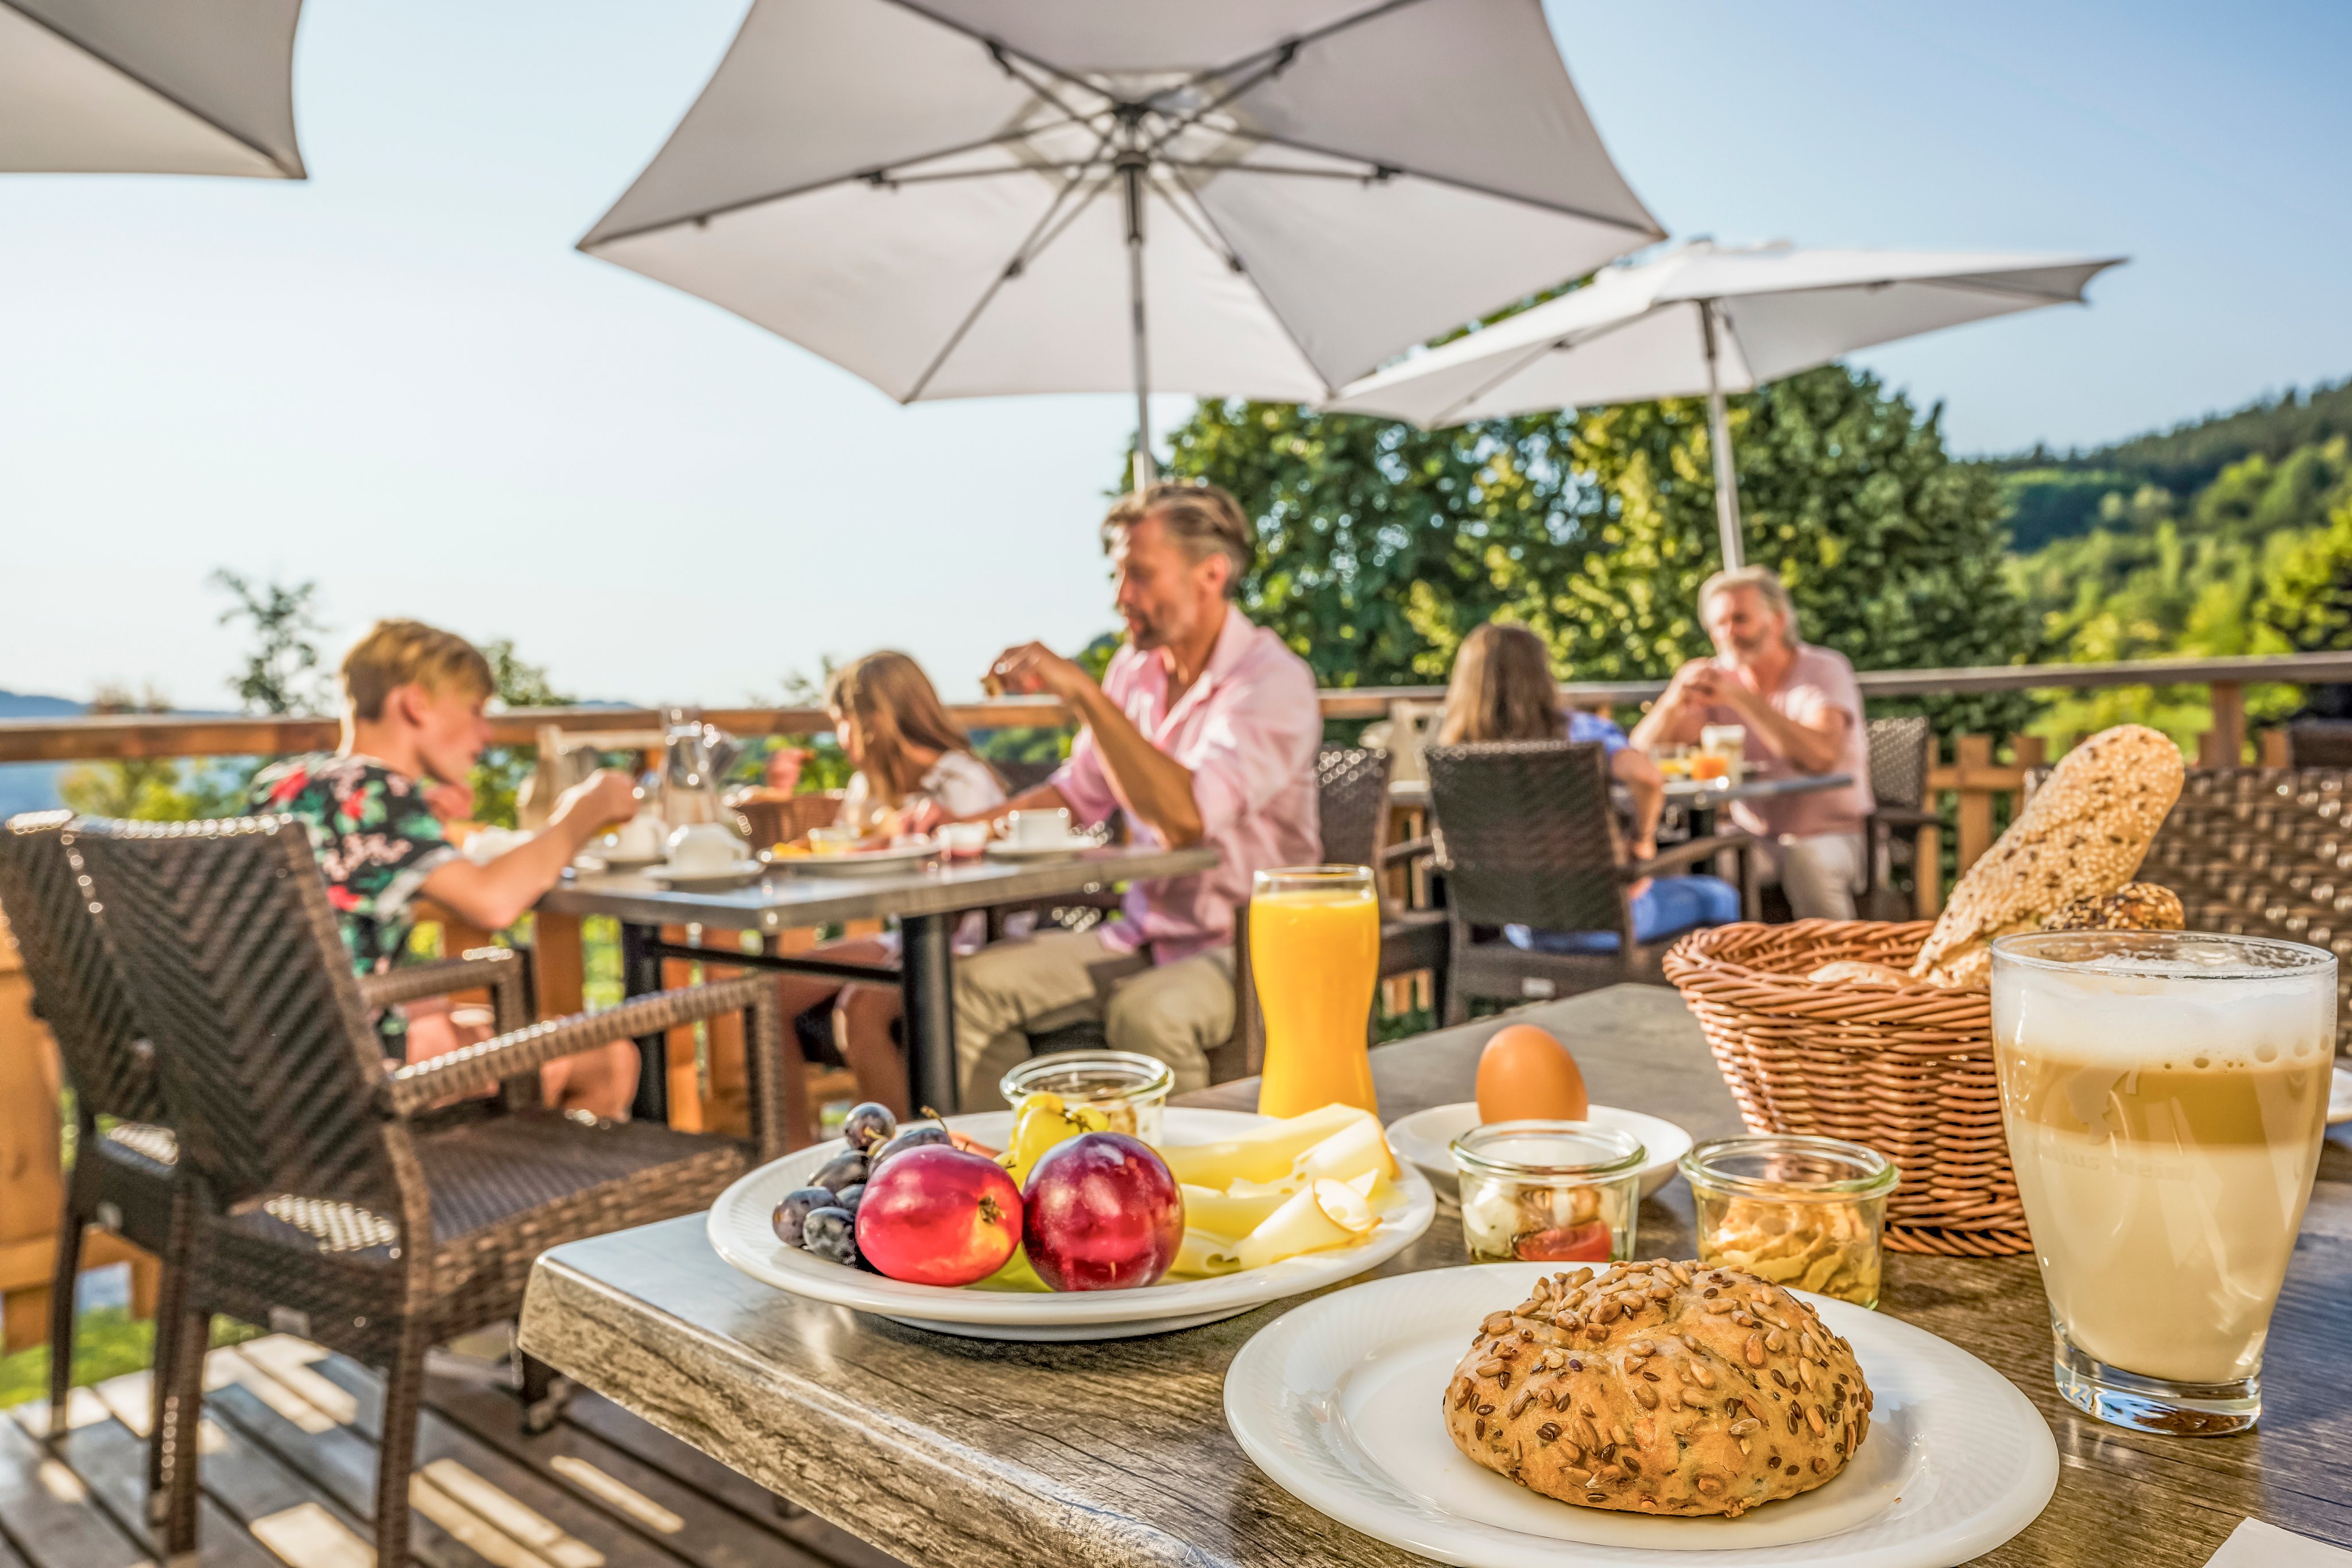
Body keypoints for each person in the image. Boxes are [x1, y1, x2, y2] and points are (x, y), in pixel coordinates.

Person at [908, 481, 1320, 1101]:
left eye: (1140, 575)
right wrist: (965, 828)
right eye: (1117, 575)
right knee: (966, 990)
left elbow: (1187, 819)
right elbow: (1077, 793)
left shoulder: (1271, 681)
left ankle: (1187, 1189)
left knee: (1148, 1014)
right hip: (1141, 933)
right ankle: (1010, 1180)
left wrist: (1084, 696)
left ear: (1210, 572)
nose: (1120, 597)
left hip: (1249, 944)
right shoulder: (1135, 672)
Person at [247, 619, 643, 1116]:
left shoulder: (284, 784)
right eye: (475, 710)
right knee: (607, 1056)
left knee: (468, 1017)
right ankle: (549, 1191)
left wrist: (421, 822)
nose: (487, 732)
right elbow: (492, 902)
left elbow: (340, 884)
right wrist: (583, 814)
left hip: (273, 1060)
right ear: (417, 704)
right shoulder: (377, 790)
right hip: (359, 1074)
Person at [767, 652, 1007, 1119]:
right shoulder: (870, 787)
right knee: (773, 989)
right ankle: (789, 1149)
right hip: (907, 936)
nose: (838, 738)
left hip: (971, 936)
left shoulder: (960, 781)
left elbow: (970, 896)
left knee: (863, 1006)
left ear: (873, 721)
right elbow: (848, 851)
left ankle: (897, 1159)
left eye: (841, 721)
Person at [1438, 621, 1740, 951]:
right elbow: (1647, 778)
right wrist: (1642, 842)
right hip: (1604, 922)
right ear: (1541, 675)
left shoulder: (1454, 752)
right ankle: (1718, 998)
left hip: (1519, 928)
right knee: (1720, 896)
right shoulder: (1579, 731)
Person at [1630, 566, 1875, 919]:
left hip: (1839, 836)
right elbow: (1642, 756)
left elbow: (1819, 757)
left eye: (1740, 619)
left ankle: (1841, 971)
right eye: (1719, 624)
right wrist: (1673, 699)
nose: (1728, 633)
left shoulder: (1824, 670)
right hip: (1754, 839)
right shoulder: (1719, 680)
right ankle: (1721, 970)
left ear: (1777, 621)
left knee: (1806, 861)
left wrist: (1741, 697)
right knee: (1685, 867)